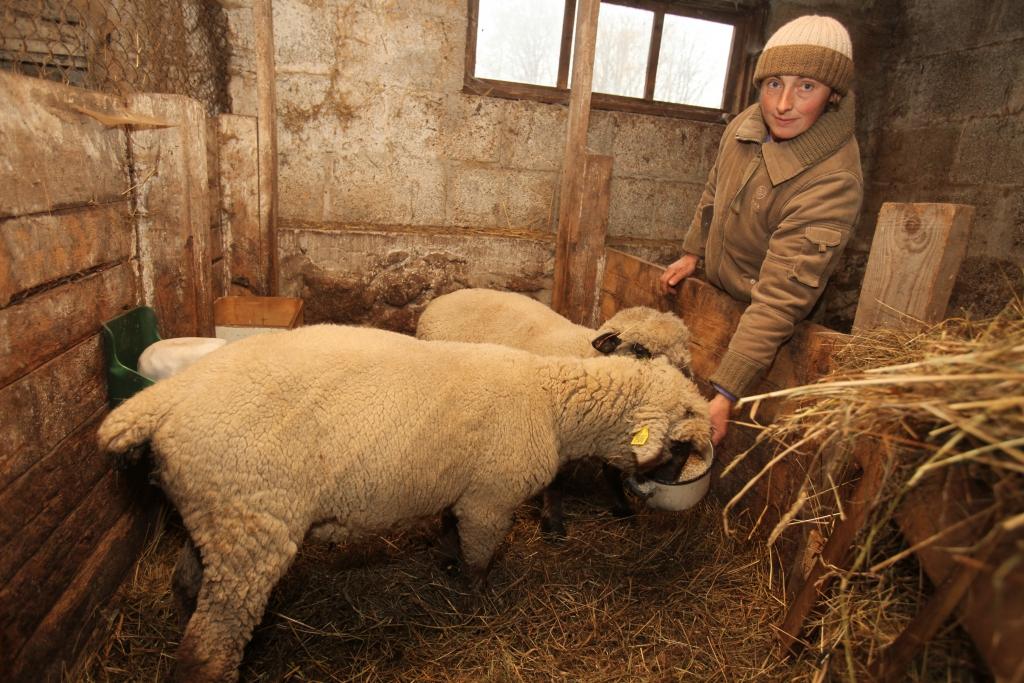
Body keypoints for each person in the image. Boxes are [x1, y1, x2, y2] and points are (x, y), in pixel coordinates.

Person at [659, 15, 863, 446]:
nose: (782, 104)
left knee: (758, 437)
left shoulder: (832, 182)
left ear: (833, 95)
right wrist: (693, 252)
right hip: (718, 291)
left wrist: (727, 391)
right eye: (773, 84)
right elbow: (715, 188)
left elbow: (779, 300)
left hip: (763, 321)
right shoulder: (747, 125)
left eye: (806, 86)